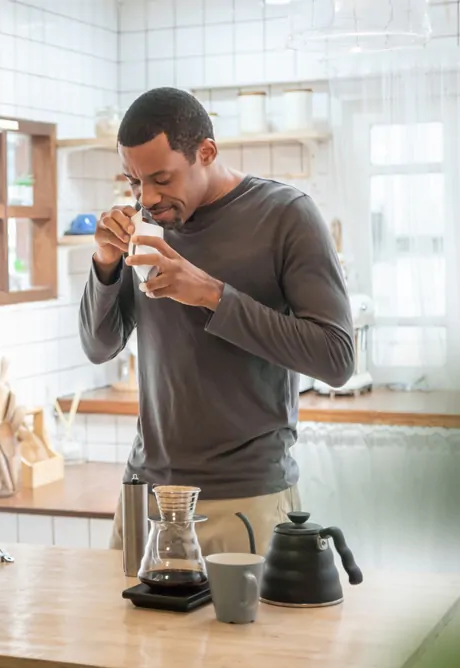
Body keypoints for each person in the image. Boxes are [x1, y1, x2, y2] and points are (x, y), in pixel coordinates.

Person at [79, 87, 355, 556]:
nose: (147, 198)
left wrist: (212, 295)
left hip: (244, 499)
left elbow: (336, 358)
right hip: (145, 494)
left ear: (206, 152)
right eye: (133, 181)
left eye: (161, 178)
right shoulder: (145, 224)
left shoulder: (286, 216)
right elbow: (99, 346)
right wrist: (105, 262)